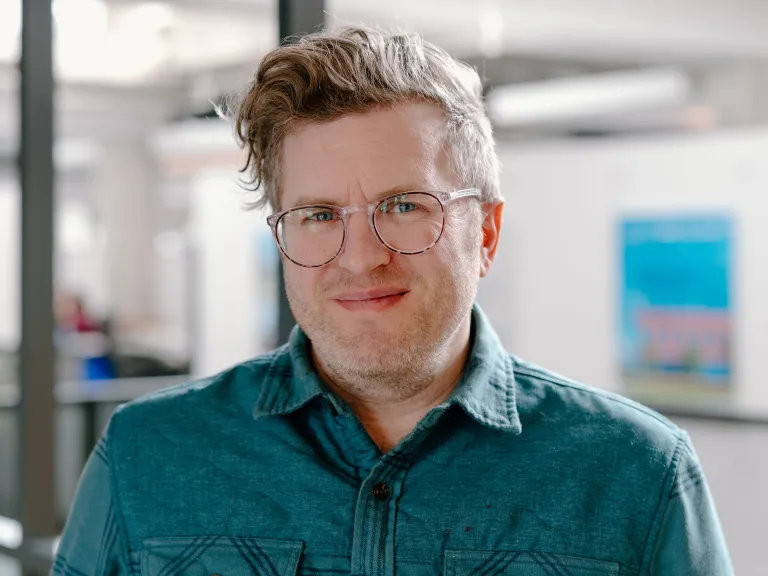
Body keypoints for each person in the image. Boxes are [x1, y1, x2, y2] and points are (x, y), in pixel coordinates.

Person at [54, 27, 732, 576]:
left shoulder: (634, 473)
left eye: (404, 206)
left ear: (486, 233)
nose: (360, 256)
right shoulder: (150, 456)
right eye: (319, 215)